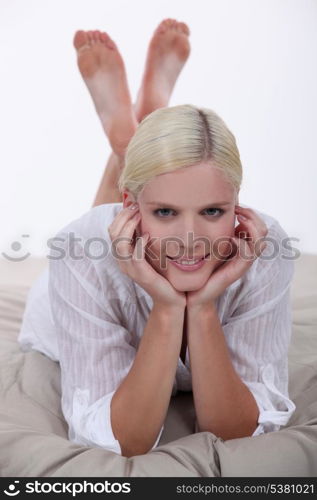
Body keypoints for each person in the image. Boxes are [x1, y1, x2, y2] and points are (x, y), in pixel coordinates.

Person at [18, 19, 296, 459]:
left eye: (212, 211)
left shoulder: (265, 247)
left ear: (238, 203)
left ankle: (132, 142)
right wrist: (168, 307)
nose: (190, 239)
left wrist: (202, 305)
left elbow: (236, 430)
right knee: (97, 233)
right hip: (77, 285)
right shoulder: (77, 250)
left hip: (134, 213)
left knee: (140, 210)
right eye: (165, 211)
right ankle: (128, 145)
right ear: (130, 206)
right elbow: (124, 441)